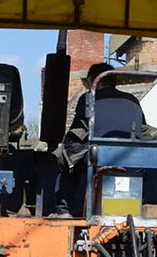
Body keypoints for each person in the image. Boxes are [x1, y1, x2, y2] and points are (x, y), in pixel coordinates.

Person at [52, 63, 147, 217]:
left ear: (92, 80)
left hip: (100, 158)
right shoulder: (133, 99)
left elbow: (77, 131)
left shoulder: (88, 98)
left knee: (68, 163)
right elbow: (143, 129)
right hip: (133, 161)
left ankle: (64, 211)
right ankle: (142, 206)